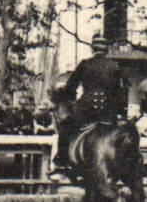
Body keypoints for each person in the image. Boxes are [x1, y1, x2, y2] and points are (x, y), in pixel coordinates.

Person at [52, 34, 125, 178]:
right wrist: (118, 110)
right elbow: (120, 92)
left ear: (92, 49)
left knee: (66, 126)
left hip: (87, 109)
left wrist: (70, 97)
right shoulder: (115, 66)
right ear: (107, 50)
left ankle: (62, 162)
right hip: (108, 112)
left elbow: (70, 88)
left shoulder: (85, 64)